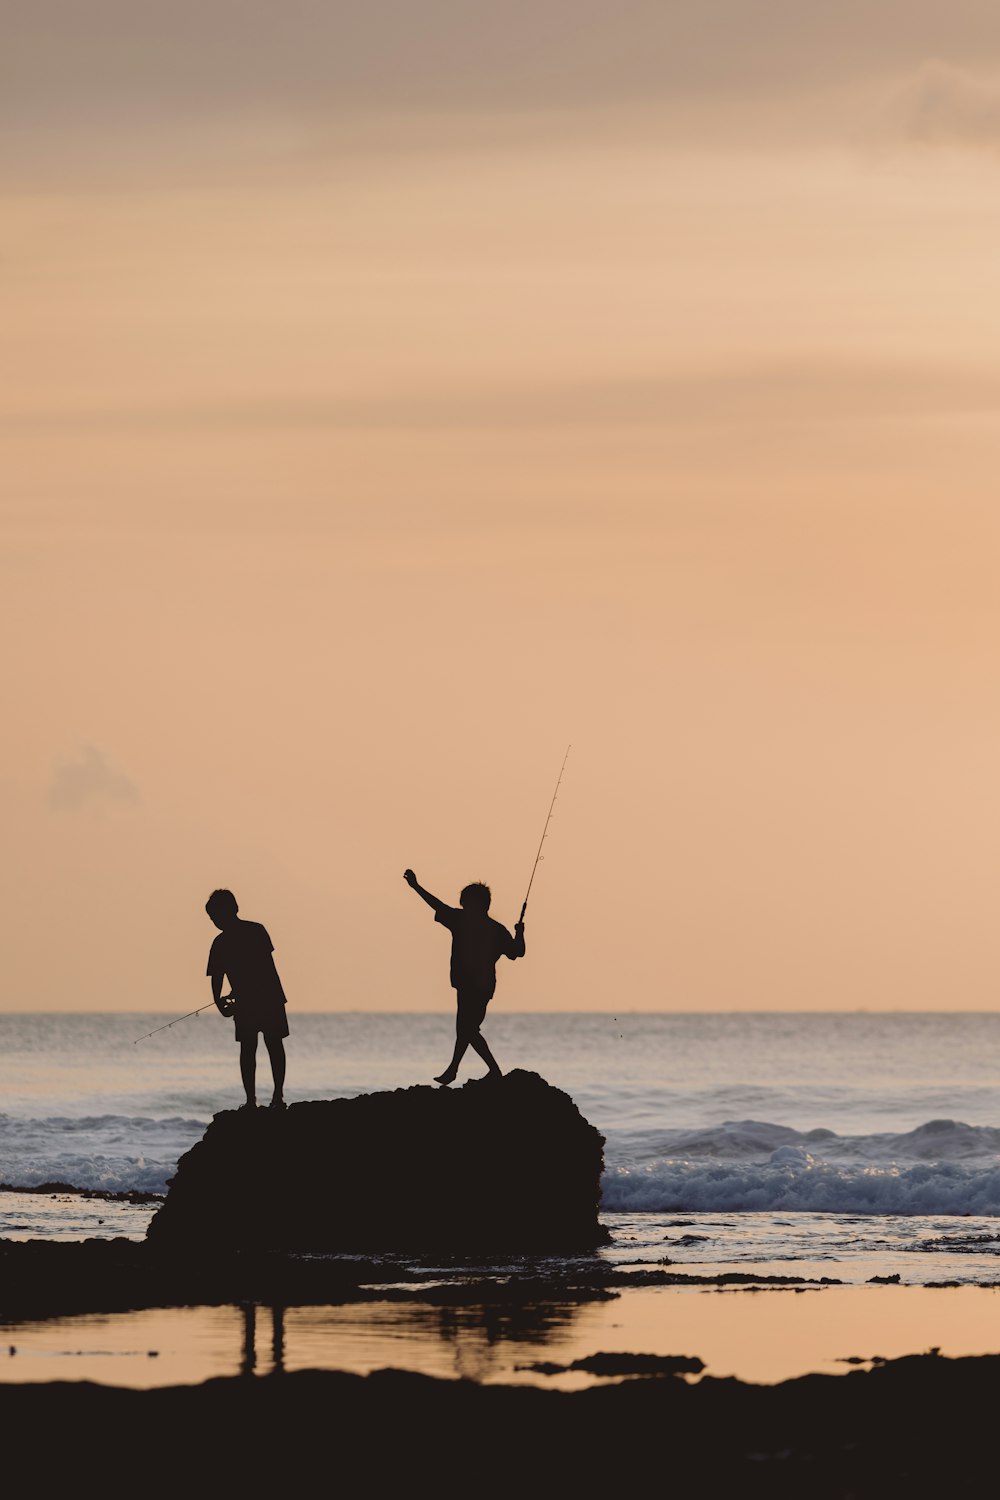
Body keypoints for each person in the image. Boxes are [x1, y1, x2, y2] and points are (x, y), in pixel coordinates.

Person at [403, 869, 525, 1085]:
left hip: (474, 985)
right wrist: (519, 933)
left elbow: (437, 905)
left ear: (475, 904)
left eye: (466, 902)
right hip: (477, 985)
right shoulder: (494, 928)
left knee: (467, 1028)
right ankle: (461, 1070)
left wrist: (416, 886)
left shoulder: (462, 920)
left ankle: (463, 1070)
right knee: (467, 1029)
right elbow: (517, 952)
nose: (462, 906)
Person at [205, 888, 289, 1110]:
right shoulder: (255, 931)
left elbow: (218, 977)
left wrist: (220, 1000)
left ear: (230, 911)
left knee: (255, 1048)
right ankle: (270, 1099)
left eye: (215, 917)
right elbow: (260, 965)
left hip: (258, 1000)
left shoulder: (223, 941)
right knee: (267, 1046)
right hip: (266, 997)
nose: (214, 921)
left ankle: (261, 1100)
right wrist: (222, 999)